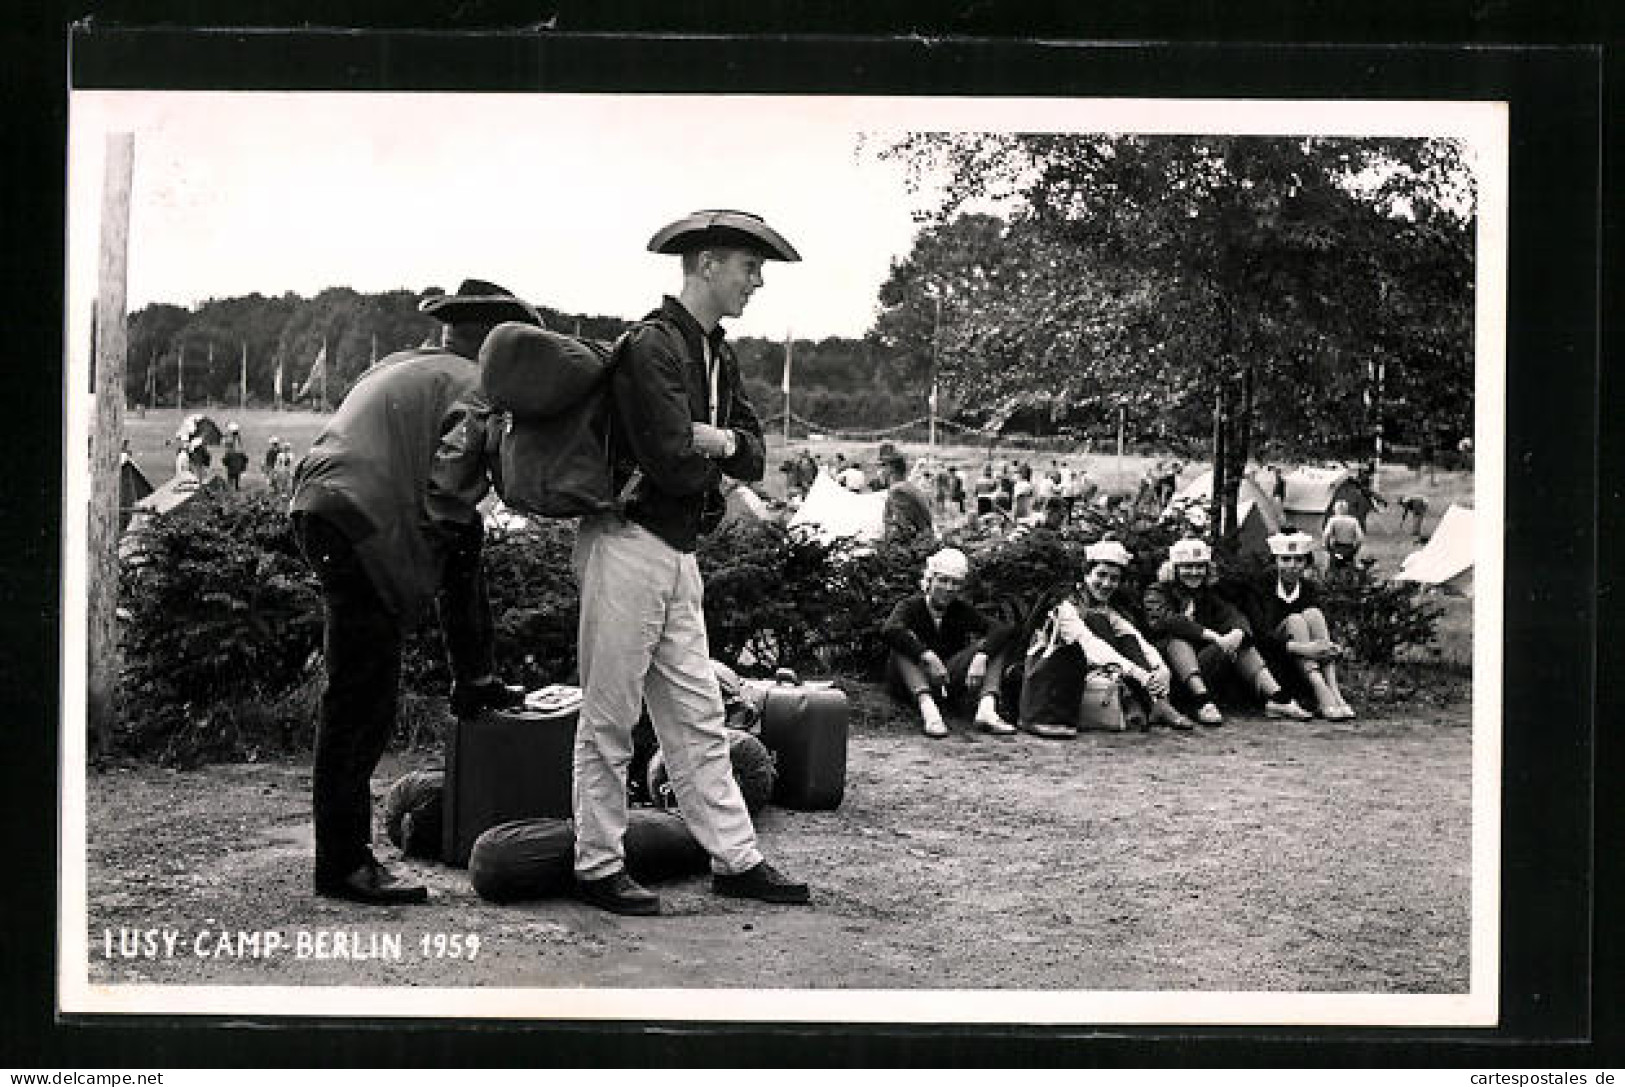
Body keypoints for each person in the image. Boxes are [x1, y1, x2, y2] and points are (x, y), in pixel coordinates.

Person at [570, 209, 811, 916]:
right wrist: (716, 443)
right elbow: (673, 462)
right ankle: (597, 864)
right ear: (707, 265)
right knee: (610, 716)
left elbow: (757, 450)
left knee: (698, 715)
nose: (757, 281)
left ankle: (734, 858)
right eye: (748, 266)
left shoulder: (714, 351)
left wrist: (715, 439)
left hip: (675, 551)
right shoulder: (652, 345)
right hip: (626, 543)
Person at [288, 278, 537, 905]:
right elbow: (447, 493)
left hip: (319, 506)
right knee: (360, 700)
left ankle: (475, 679)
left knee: (462, 548)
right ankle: (345, 866)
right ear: (497, 342)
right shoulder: (476, 386)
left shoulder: (405, 364)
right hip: (362, 518)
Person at [1018, 540, 1193, 738]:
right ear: (1086, 575)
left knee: (1125, 636)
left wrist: (1160, 670)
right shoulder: (1064, 604)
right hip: (1053, 674)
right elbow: (1091, 646)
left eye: (1114, 578)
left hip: (1094, 670)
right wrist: (1142, 676)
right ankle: (1151, 705)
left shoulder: (1105, 608)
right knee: (1099, 628)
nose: (1107, 584)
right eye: (1101, 575)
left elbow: (1135, 638)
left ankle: (1159, 704)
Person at [1142, 538, 1313, 725]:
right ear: (1174, 568)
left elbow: (1232, 615)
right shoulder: (1157, 591)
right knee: (1178, 641)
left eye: (1200, 567)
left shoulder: (1207, 594)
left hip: (1203, 666)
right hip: (1169, 674)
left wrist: (1238, 632)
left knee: (1239, 641)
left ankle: (1278, 698)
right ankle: (1203, 702)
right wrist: (1212, 636)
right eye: (1187, 567)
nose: (1194, 572)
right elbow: (1166, 621)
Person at [882, 547, 1018, 738]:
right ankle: (929, 712)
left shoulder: (959, 610)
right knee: (902, 641)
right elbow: (890, 630)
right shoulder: (910, 606)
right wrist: (926, 655)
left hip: (947, 680)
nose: (948, 588)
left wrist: (982, 656)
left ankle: (987, 709)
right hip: (910, 682)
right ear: (929, 580)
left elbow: (1000, 629)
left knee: (995, 643)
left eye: (955, 583)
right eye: (943, 580)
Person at [1250, 531, 1355, 720]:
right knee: (1295, 620)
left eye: (1298, 560)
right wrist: (1304, 649)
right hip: (1275, 665)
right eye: (1286, 560)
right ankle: (1321, 691)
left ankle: (1334, 692)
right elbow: (1260, 636)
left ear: (1306, 563)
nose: (1292, 566)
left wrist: (1329, 647)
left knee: (1313, 614)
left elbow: (1319, 629)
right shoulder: (1261, 587)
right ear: (1275, 561)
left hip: (1306, 665)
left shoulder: (1308, 588)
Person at [879, 449, 935, 544]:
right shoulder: (910, 488)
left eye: (882, 467)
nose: (880, 472)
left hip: (915, 547)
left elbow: (900, 527)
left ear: (891, 469)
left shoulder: (898, 491)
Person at [1322, 498, 1365, 570]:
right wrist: (1355, 549)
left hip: (1337, 548)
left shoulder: (1333, 520)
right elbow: (1360, 537)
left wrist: (1327, 547)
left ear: (1336, 509)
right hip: (1349, 548)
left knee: (1333, 570)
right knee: (1349, 570)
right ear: (1346, 509)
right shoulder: (1354, 520)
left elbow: (1326, 534)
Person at [221, 422, 248, 490]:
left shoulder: (229, 439)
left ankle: (230, 486)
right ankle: (236, 486)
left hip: (231, 457)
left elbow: (225, 445)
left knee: (230, 474)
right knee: (237, 474)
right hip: (237, 457)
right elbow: (242, 451)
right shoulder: (237, 439)